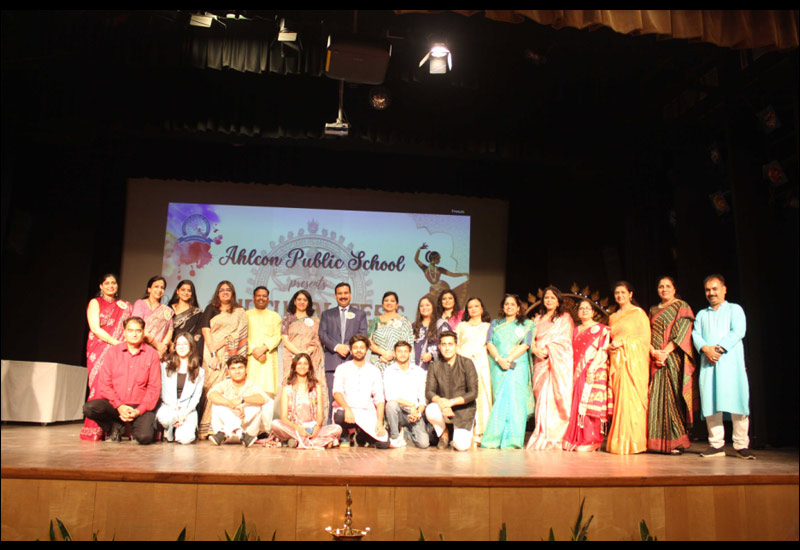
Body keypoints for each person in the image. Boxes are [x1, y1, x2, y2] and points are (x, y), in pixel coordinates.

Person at [692, 275, 754, 459]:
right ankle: (716, 444)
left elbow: (738, 331)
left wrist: (718, 349)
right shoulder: (702, 314)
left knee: (737, 402)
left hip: (731, 365)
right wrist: (706, 349)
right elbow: (696, 335)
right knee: (711, 403)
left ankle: (741, 445)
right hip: (709, 365)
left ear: (724, 289)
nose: (711, 293)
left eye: (715, 289)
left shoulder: (735, 309)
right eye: (708, 290)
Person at [82, 316, 161, 444]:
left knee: (144, 437)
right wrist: (119, 406)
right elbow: (104, 384)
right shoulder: (113, 352)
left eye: (138, 331)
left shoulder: (152, 354)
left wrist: (138, 411)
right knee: (90, 408)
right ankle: (115, 427)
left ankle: (134, 430)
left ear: (143, 333)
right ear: (124, 332)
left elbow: (154, 388)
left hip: (140, 406)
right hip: (116, 404)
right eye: (130, 330)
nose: (134, 334)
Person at [647, 276, 698, 455]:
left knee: (672, 399)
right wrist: (654, 352)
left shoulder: (681, 307)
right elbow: (647, 333)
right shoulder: (653, 309)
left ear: (674, 289)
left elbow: (682, 332)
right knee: (655, 399)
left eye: (668, 286)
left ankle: (675, 442)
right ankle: (655, 443)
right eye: (661, 286)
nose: (664, 289)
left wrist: (665, 352)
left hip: (672, 358)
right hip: (655, 359)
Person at [481, 295, 535, 449]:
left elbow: (526, 344)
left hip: (517, 366)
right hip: (498, 366)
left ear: (518, 308)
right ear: (502, 307)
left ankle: (513, 440)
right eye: (506, 304)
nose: (509, 307)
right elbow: (489, 342)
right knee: (500, 400)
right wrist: (499, 360)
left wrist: (509, 359)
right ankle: (493, 439)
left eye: (512, 304)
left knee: (515, 401)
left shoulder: (527, 324)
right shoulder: (496, 324)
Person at [81, 273, 131, 441]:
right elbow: (95, 328)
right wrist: (114, 342)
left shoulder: (124, 306)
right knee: (98, 386)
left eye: (114, 283)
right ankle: (95, 429)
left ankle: (115, 427)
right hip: (99, 348)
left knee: (115, 386)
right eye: (107, 283)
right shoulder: (95, 302)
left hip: (118, 352)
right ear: (101, 286)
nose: (111, 286)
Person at [197, 281, 249, 439]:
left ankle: (215, 427)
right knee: (209, 387)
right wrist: (214, 354)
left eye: (228, 290)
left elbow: (241, 334)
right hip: (210, 352)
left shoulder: (239, 312)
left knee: (222, 388)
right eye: (222, 290)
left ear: (232, 293)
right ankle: (203, 426)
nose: (225, 292)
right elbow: (206, 331)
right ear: (217, 293)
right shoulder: (211, 309)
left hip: (229, 354)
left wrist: (225, 345)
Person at [606, 281, 651, 455]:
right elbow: (611, 339)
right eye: (617, 293)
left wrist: (624, 342)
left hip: (634, 362)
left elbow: (645, 339)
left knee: (634, 400)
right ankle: (619, 441)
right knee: (621, 401)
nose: (620, 296)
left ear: (630, 294)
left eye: (623, 292)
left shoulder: (638, 313)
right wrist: (611, 347)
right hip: (617, 361)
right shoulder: (613, 317)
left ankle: (636, 442)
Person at [527, 286, 575, 451]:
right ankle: (541, 433)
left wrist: (548, 350)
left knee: (552, 399)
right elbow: (530, 339)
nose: (549, 300)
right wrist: (534, 350)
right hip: (539, 362)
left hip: (554, 363)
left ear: (558, 301)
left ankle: (554, 437)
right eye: (546, 297)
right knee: (541, 400)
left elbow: (565, 342)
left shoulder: (564, 318)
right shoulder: (537, 319)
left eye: (552, 298)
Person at [563, 299, 611, 452]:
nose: (584, 311)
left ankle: (590, 440)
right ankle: (574, 438)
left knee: (589, 404)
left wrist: (592, 368)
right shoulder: (574, 331)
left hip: (592, 370)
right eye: (581, 308)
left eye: (587, 308)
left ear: (593, 311)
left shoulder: (602, 329)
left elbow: (603, 350)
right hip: (574, 371)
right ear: (577, 313)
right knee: (575, 403)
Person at [268, 353, 342, 449]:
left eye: (305, 364)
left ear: (309, 367)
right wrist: (299, 429)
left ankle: (297, 441)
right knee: (275, 424)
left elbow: (320, 414)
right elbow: (284, 417)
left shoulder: (316, 387)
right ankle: (313, 442)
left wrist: (316, 428)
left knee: (337, 428)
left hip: (312, 429)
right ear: (294, 367)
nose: (302, 366)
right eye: (299, 364)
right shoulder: (287, 388)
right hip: (294, 428)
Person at [332, 334, 389, 449]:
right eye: (355, 347)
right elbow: (337, 392)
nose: (359, 350)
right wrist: (347, 408)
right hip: (347, 411)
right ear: (351, 350)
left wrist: (379, 422)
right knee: (340, 415)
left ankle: (361, 435)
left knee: (383, 444)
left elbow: (379, 399)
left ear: (366, 351)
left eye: (362, 347)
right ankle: (345, 434)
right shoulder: (342, 368)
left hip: (367, 412)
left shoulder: (374, 370)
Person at [426, 330, 479, 451]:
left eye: (450, 344)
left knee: (461, 447)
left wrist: (451, 402)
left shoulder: (467, 363)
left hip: (464, 411)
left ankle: (460, 433)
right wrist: (443, 403)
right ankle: (444, 433)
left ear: (456, 346)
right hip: (443, 409)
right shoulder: (434, 366)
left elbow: (473, 393)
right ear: (439, 347)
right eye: (443, 344)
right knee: (431, 409)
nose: (447, 348)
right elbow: (429, 392)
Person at [319, 282, 368, 408]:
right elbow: (322, 334)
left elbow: (363, 334)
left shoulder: (360, 314)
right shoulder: (326, 314)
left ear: (350, 295)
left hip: (352, 360)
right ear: (335, 296)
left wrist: (349, 348)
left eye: (346, 293)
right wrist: (337, 347)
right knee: (332, 398)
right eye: (340, 293)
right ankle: (332, 421)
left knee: (352, 397)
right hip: (332, 362)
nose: (343, 296)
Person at [281, 290, 327, 423]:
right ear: (294, 302)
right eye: (299, 299)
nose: (302, 302)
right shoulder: (287, 319)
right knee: (291, 386)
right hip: (291, 357)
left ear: (309, 303)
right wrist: (299, 355)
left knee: (312, 388)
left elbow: (317, 340)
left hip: (310, 358)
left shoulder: (315, 321)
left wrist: (307, 353)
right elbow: (285, 340)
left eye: (305, 300)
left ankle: (314, 422)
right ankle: (291, 423)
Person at [206, 355, 265, 447]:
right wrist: (229, 403)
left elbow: (262, 398)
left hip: (248, 433)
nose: (237, 371)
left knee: (255, 405)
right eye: (233, 369)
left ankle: (235, 432)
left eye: (240, 368)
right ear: (228, 371)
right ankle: (240, 432)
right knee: (217, 402)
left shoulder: (252, 385)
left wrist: (242, 400)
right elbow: (211, 394)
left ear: (246, 370)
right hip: (229, 437)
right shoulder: (224, 384)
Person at [157, 332, 204, 444]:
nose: (181, 347)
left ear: (191, 346)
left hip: (187, 409)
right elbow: (163, 392)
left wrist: (184, 413)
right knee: (166, 418)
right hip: (169, 406)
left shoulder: (199, 371)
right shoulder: (166, 366)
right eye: (178, 344)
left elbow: (196, 397)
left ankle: (180, 428)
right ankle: (170, 428)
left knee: (185, 439)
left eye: (185, 344)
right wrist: (175, 409)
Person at [456, 297, 492, 443]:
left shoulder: (488, 326)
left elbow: (491, 346)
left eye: (476, 306)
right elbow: (455, 345)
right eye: (470, 307)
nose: (473, 309)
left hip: (482, 365)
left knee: (482, 397)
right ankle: (467, 431)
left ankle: (482, 432)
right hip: (465, 365)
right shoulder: (461, 326)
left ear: (482, 308)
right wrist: (464, 358)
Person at [247, 286, 282, 427]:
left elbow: (277, 336)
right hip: (251, 360)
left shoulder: (275, 316)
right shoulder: (246, 315)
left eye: (264, 296)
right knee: (250, 393)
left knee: (268, 396)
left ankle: (266, 430)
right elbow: (243, 336)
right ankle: (250, 430)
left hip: (268, 360)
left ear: (268, 299)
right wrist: (254, 350)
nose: (261, 298)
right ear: (253, 298)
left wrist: (263, 349)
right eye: (258, 295)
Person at [384, 341, 430, 449]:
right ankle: (395, 437)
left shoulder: (419, 371)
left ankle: (405, 433)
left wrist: (418, 413)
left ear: (410, 353)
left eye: (405, 351)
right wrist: (411, 405)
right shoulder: (389, 371)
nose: (402, 354)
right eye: (399, 351)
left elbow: (422, 399)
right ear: (394, 353)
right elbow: (390, 397)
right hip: (398, 411)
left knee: (424, 444)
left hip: (413, 413)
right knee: (391, 405)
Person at [368, 291, 415, 370]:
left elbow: (408, 344)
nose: (389, 303)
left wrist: (393, 355)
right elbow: (369, 341)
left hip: (400, 362)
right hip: (380, 361)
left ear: (397, 305)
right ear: (382, 304)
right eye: (386, 301)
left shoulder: (404, 321)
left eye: (392, 301)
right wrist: (383, 353)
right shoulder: (375, 320)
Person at [131, 275, 174, 359]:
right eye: (156, 287)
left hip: (159, 353)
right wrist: (157, 345)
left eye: (162, 288)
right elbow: (137, 327)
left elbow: (170, 331)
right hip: (140, 349)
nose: (159, 290)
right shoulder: (140, 304)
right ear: (149, 289)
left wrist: (162, 348)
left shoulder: (166, 310)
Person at [412, 295, 448, 371]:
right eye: (421, 306)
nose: (424, 307)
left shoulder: (442, 325)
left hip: (436, 369)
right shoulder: (414, 326)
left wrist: (432, 355)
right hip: (415, 369)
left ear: (433, 307)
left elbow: (448, 347)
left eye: (427, 305)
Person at [168, 279, 204, 352]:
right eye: (183, 290)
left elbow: (198, 334)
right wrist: (170, 344)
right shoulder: (168, 309)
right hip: (169, 348)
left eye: (189, 291)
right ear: (177, 291)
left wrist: (184, 346)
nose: (186, 293)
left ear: (192, 294)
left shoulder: (197, 313)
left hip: (187, 349)